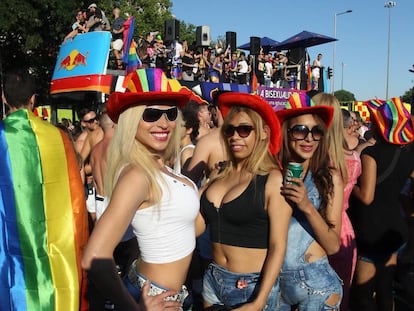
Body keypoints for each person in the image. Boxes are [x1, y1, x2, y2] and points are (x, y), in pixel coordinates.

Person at [81, 68, 199, 311]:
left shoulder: (161, 168)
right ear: (133, 120)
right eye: (152, 114)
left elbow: (187, 227)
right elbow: (94, 258)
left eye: (170, 114)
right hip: (151, 297)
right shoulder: (138, 175)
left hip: (169, 293)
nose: (164, 123)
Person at [0, 68, 89, 310]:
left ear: (3, 99)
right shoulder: (59, 138)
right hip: (54, 254)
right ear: (33, 99)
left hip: (7, 251)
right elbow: (76, 204)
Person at [197, 92, 291, 309]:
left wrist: (259, 302)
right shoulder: (219, 175)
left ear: (263, 133)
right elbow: (195, 228)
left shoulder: (272, 180)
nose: (235, 136)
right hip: (213, 280)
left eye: (245, 130)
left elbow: (278, 246)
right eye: (230, 130)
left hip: (252, 286)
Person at [275, 92, 344, 310]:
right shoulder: (271, 172)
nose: (309, 138)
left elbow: (333, 246)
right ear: (286, 132)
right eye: (300, 130)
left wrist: (306, 206)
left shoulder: (329, 178)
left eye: (316, 131)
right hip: (274, 283)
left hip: (315, 285)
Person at [349, 97, 414, 311]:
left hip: (373, 231)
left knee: (363, 293)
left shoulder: (371, 154)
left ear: (378, 124)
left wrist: (348, 185)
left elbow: (367, 196)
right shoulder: (408, 156)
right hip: (396, 230)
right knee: (386, 289)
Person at [312, 92, 361, 311]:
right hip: (344, 230)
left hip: (317, 230)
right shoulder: (353, 157)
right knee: (338, 299)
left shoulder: (316, 160)